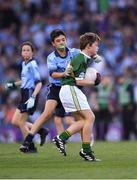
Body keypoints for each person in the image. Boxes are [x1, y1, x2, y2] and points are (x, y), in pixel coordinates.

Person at [19, 29, 80, 153]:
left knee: (77, 117)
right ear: (53, 44)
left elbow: (86, 56)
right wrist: (65, 73)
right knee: (47, 114)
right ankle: (27, 141)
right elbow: (52, 74)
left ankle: (84, 143)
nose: (62, 42)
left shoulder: (75, 52)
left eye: (63, 39)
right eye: (58, 41)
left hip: (70, 88)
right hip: (56, 88)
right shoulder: (51, 57)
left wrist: (94, 57)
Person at [52, 32, 102, 161]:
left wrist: (95, 56)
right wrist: (93, 82)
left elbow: (94, 56)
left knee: (83, 121)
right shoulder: (80, 59)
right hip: (71, 89)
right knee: (90, 117)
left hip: (68, 90)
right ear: (89, 46)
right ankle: (65, 140)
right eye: (96, 45)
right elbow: (78, 81)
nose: (97, 48)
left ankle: (84, 150)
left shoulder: (82, 57)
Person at [5, 41, 49, 152]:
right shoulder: (24, 64)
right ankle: (40, 130)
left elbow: (39, 83)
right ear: (21, 53)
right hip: (24, 94)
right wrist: (14, 84)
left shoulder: (33, 64)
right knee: (15, 121)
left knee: (21, 122)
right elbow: (25, 80)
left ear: (32, 53)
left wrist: (33, 97)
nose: (25, 52)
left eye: (28, 50)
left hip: (30, 94)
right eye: (23, 50)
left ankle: (30, 146)